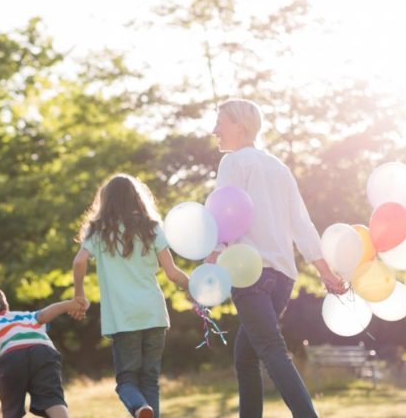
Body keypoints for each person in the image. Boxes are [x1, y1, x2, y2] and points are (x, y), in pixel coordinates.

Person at [206, 99, 347, 418]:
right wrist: (326, 272)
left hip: (249, 273)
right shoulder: (277, 167)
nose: (214, 130)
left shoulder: (234, 162)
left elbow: (222, 213)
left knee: (271, 350)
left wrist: (210, 262)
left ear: (240, 126)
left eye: (220, 123)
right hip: (283, 277)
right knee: (246, 357)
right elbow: (302, 223)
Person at [70, 174, 191, 418]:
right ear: (138, 198)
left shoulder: (100, 230)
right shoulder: (152, 227)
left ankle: (139, 408)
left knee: (127, 380)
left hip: (124, 317)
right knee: (149, 380)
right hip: (154, 313)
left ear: (106, 201)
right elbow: (172, 272)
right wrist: (192, 287)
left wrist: (79, 294)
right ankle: (146, 409)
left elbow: (79, 260)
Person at [0, 274, 83, 418]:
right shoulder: (26, 316)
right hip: (43, 351)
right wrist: (71, 304)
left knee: (11, 408)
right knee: (53, 399)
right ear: (5, 304)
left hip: (12, 356)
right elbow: (44, 315)